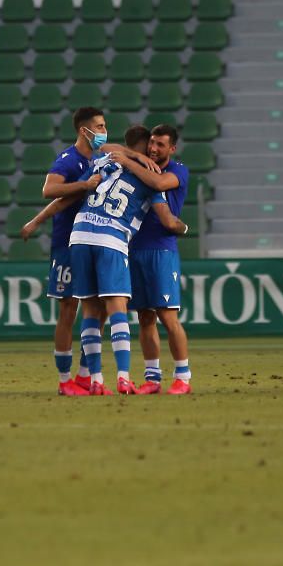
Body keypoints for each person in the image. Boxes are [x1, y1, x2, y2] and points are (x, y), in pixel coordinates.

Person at [68, 151, 187, 395]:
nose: (153, 151)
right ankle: (125, 378)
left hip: (79, 234)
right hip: (113, 239)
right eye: (150, 146)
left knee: (91, 311)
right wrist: (184, 228)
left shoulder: (105, 163)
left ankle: (96, 381)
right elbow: (167, 218)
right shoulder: (149, 177)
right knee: (119, 310)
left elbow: (77, 189)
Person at [37, 107, 107, 396]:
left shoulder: (101, 159)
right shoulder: (68, 159)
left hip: (94, 241)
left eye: (105, 126)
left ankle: (83, 374)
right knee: (68, 309)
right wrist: (84, 185)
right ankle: (64, 379)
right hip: (67, 243)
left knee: (99, 307)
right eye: (100, 127)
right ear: (84, 130)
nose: (104, 132)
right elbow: (49, 190)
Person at [121, 124, 193, 395]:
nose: (153, 148)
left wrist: (134, 162)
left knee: (167, 316)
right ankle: (152, 378)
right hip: (134, 247)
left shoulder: (178, 171)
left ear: (172, 149)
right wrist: (134, 157)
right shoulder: (142, 162)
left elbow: (159, 184)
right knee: (144, 317)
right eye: (151, 143)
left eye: (160, 144)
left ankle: (183, 377)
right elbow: (111, 150)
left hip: (161, 250)